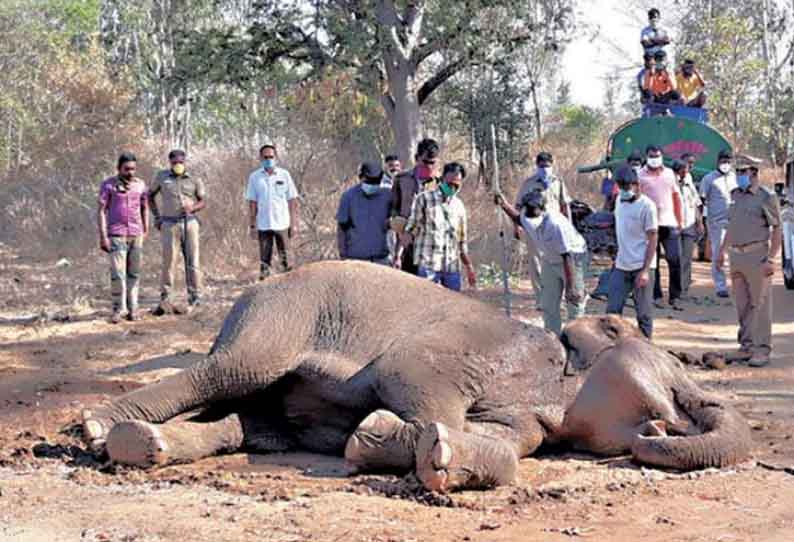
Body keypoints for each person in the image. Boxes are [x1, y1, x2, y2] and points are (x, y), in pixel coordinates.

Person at [716, 155, 781, 367]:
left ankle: (762, 349)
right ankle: (746, 346)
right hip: (736, 256)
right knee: (742, 304)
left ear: (754, 173)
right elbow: (732, 225)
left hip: (757, 256)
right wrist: (721, 251)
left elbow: (777, 228)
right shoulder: (735, 195)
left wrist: (771, 258)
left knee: (760, 304)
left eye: (743, 172)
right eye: (738, 172)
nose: (739, 175)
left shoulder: (765, 197)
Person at [496, 191, 587, 336]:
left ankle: (577, 339)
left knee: (574, 302)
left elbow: (567, 256)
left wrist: (571, 286)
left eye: (534, 213)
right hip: (550, 259)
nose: (531, 217)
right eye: (529, 212)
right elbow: (519, 220)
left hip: (573, 259)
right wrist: (504, 205)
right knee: (548, 304)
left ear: (543, 209)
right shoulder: (528, 213)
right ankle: (553, 338)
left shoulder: (556, 224)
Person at [395, 162, 476, 291]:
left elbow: (461, 241)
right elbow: (411, 230)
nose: (452, 189)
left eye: (457, 185)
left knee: (453, 305)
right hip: (429, 265)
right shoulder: (424, 199)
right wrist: (398, 256)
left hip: (451, 267)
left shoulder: (459, 206)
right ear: (442, 179)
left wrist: (469, 267)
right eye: (449, 184)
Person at [149, 149, 207, 313]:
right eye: (174, 162)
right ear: (170, 162)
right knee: (169, 262)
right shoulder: (162, 177)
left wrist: (192, 207)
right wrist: (157, 217)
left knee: (193, 261)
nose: (178, 165)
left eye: (180, 162)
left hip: (190, 223)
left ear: (185, 161)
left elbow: (202, 201)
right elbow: (150, 196)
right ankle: (165, 299)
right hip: (169, 224)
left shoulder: (194, 178)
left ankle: (195, 298)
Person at [607, 165, 659, 339]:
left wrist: (645, 270)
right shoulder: (618, 201)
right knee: (612, 311)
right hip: (622, 265)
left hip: (641, 265)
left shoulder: (647, 207)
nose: (624, 191)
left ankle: (646, 347)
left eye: (627, 187)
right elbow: (618, 230)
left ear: (637, 185)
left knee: (643, 313)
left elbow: (652, 238)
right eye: (621, 187)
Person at [97, 152, 149, 324]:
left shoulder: (140, 185)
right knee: (118, 274)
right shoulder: (108, 185)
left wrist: (145, 229)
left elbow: (144, 208)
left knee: (134, 273)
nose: (130, 172)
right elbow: (101, 211)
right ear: (118, 168)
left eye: (133, 169)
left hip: (136, 234)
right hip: (116, 234)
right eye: (127, 169)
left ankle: (133, 308)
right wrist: (103, 236)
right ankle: (119, 308)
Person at [515, 152, 572, 302]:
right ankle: (541, 297)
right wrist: (516, 227)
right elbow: (518, 205)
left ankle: (560, 294)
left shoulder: (557, 182)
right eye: (541, 166)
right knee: (536, 262)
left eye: (547, 166)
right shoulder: (529, 183)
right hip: (534, 228)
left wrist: (570, 225)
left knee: (559, 260)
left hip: (555, 229)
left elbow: (565, 205)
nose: (544, 169)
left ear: (552, 166)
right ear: (537, 166)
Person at [639, 145, 684, 309]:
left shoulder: (669, 174)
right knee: (653, 261)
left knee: (675, 259)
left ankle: (675, 296)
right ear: (647, 156)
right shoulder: (640, 175)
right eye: (651, 156)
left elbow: (676, 197)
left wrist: (680, 221)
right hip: (650, 226)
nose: (654, 158)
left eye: (657, 156)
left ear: (662, 157)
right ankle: (656, 295)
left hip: (669, 222)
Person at [246, 143, 300, 279]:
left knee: (286, 260)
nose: (268, 159)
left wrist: (294, 224)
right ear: (260, 158)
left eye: (271, 156)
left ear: (276, 157)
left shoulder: (284, 175)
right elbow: (252, 203)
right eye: (265, 157)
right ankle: (263, 291)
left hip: (282, 224)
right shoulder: (254, 177)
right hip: (264, 225)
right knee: (265, 263)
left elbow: (292, 200)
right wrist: (252, 225)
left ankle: (289, 289)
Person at [391, 139, 441, 275]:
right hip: (406, 243)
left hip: (430, 244)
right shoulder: (401, 180)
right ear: (417, 158)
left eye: (433, 163)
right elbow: (394, 208)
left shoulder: (440, 183)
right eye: (425, 162)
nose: (429, 166)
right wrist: (398, 227)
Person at [336, 161, 392, 265]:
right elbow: (342, 227)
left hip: (381, 259)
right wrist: (343, 255)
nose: (372, 185)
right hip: (356, 259)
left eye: (376, 182)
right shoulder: (348, 197)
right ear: (360, 177)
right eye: (369, 181)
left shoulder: (388, 195)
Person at [699, 149, 737, 297]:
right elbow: (701, 200)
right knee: (718, 253)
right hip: (717, 222)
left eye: (728, 161)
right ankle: (721, 286)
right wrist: (702, 220)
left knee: (736, 254)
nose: (725, 164)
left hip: (734, 222)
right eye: (723, 161)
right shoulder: (709, 179)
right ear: (717, 161)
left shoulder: (735, 178)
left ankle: (737, 283)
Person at [672, 159, 703, 298]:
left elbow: (696, 203)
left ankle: (684, 288)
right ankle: (676, 289)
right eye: (682, 171)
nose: (685, 173)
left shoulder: (689, 182)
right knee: (676, 258)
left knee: (687, 258)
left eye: (686, 171)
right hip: (674, 226)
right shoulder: (671, 183)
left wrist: (699, 222)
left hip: (689, 225)